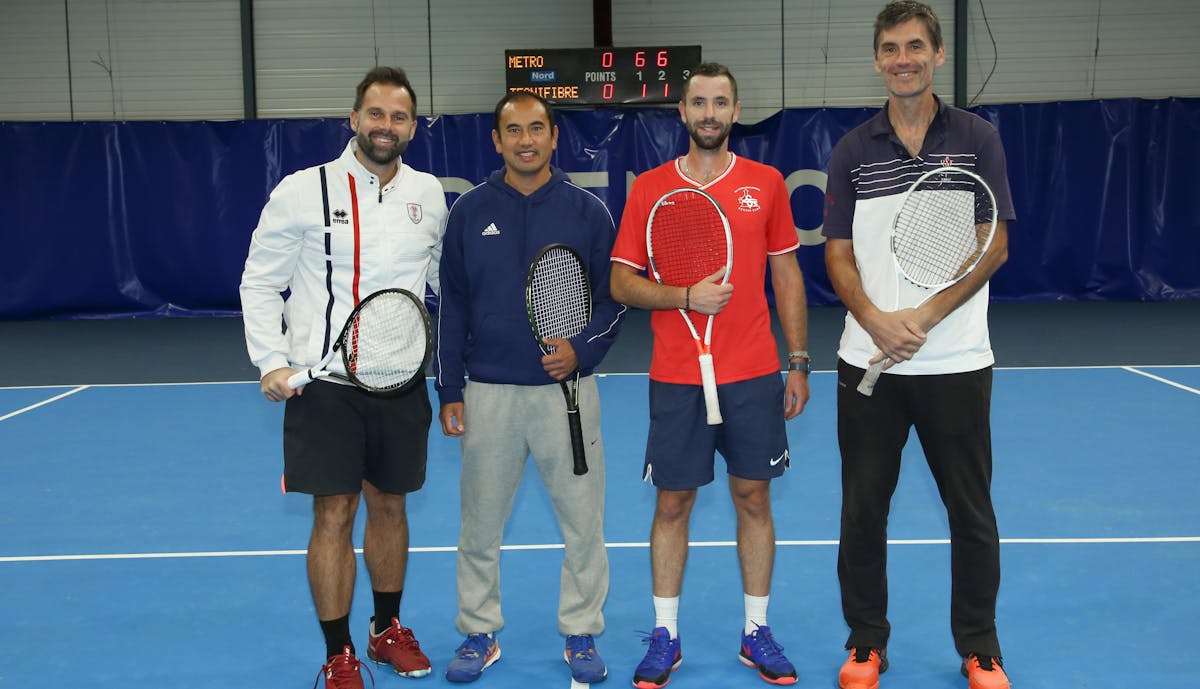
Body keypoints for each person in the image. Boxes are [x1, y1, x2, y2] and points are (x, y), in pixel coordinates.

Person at [821, 3, 1015, 689]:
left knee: (971, 511)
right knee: (862, 511)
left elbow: (994, 244)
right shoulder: (851, 150)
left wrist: (924, 316)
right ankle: (866, 642)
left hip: (955, 361)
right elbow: (837, 253)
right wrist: (875, 319)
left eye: (914, 47)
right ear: (877, 59)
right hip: (866, 362)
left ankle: (980, 647)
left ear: (936, 54)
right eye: (889, 48)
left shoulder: (978, 139)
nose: (902, 59)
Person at [239, 66, 447, 689]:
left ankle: (386, 630)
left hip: (401, 384)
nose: (386, 126)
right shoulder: (302, 190)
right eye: (375, 114)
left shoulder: (429, 194)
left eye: (399, 116)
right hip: (325, 385)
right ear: (354, 119)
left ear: (413, 127)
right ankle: (339, 654)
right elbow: (260, 281)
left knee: (390, 506)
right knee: (333, 513)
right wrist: (271, 360)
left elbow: (447, 284)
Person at [610, 62, 812, 688]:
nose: (709, 114)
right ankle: (665, 635)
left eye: (720, 103)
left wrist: (798, 360)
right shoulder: (649, 188)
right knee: (673, 503)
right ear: (682, 112)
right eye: (698, 102)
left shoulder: (766, 184)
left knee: (753, 497)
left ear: (735, 110)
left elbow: (785, 274)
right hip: (677, 376)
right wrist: (683, 296)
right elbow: (621, 283)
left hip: (753, 372)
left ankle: (757, 631)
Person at [433, 91, 625, 685]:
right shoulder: (469, 212)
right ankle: (479, 631)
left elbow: (614, 300)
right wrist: (450, 387)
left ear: (554, 136)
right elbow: (453, 305)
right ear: (496, 140)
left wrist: (582, 350)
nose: (526, 140)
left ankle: (581, 631)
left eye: (536, 128)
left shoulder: (588, 212)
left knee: (583, 524)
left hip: (568, 397)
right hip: (489, 396)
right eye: (513, 130)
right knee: (479, 526)